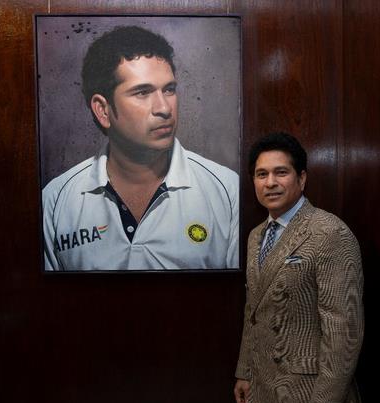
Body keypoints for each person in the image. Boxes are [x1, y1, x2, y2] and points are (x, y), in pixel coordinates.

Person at [42, 26, 239, 271]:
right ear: (103, 110)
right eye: (143, 92)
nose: (164, 108)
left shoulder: (228, 191)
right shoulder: (55, 201)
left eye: (169, 90)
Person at [234, 132, 364, 403]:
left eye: (281, 172)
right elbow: (253, 311)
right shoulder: (256, 235)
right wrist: (245, 372)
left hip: (309, 396)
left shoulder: (329, 232)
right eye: (261, 174)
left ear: (301, 178)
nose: (270, 183)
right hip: (265, 391)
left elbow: (344, 330)